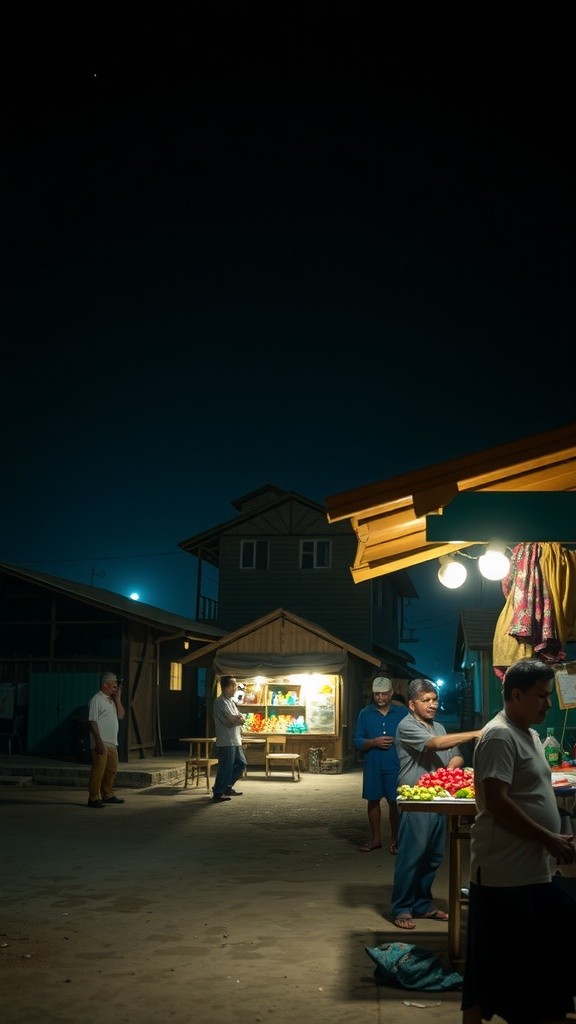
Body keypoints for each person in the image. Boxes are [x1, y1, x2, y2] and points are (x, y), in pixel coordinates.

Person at [461, 657, 576, 1024]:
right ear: (516, 695)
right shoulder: (499, 736)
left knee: (521, 967)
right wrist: (547, 837)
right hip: (504, 874)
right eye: (541, 696)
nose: (548, 704)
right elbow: (496, 801)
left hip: (531, 869)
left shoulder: (529, 734)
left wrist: (552, 836)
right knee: (496, 967)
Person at [390, 677, 482, 930]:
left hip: (440, 797)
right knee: (412, 855)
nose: (433, 705)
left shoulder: (439, 726)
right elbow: (435, 745)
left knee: (433, 856)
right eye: (426, 700)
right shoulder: (407, 726)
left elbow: (457, 756)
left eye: (435, 699)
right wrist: (475, 733)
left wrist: (448, 770)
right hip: (417, 799)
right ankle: (402, 907)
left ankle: (422, 905)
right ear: (412, 704)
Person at [353, 675, 409, 854]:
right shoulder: (365, 713)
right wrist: (373, 742)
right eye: (377, 694)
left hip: (395, 763)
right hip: (373, 763)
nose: (380, 698)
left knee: (395, 802)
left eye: (384, 694)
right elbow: (356, 740)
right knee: (373, 800)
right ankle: (375, 839)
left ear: (391, 693)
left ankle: (395, 840)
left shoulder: (402, 713)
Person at [87, 671, 126, 808]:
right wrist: (98, 741)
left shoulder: (111, 700)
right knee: (98, 770)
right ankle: (93, 797)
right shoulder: (96, 699)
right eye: (114, 685)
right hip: (101, 741)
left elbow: (121, 715)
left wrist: (118, 700)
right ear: (105, 684)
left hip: (112, 742)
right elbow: (92, 722)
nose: (116, 688)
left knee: (111, 770)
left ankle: (107, 794)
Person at [211, 675, 248, 803]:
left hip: (235, 739)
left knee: (241, 764)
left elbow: (241, 718)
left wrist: (238, 719)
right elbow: (231, 721)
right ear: (227, 687)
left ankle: (227, 787)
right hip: (226, 740)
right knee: (226, 766)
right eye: (234, 686)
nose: (236, 688)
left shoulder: (230, 701)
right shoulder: (220, 702)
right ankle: (218, 791)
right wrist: (238, 719)